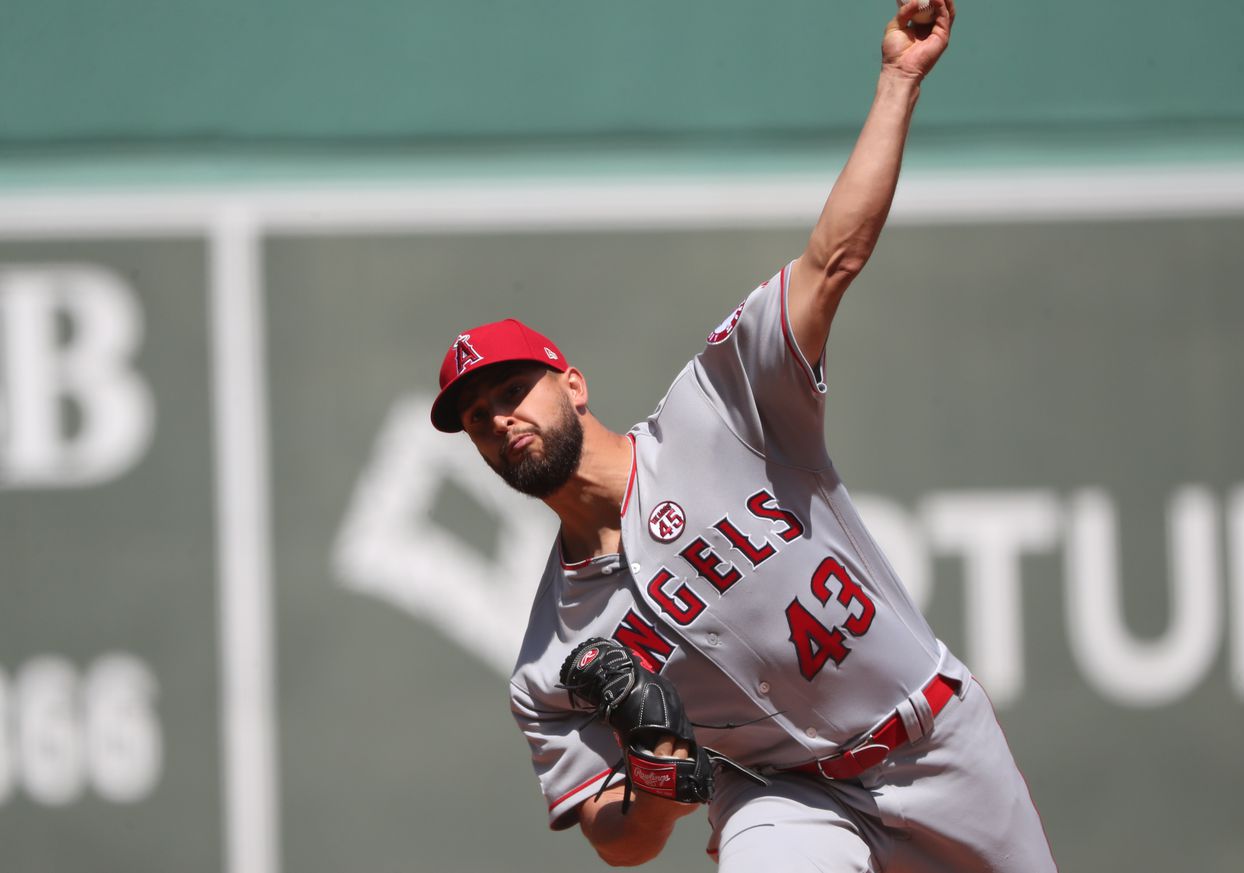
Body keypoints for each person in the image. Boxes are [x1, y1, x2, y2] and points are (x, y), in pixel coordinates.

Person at [430, 1, 1056, 869]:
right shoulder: (551, 661)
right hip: (780, 794)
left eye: (513, 388)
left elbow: (830, 260)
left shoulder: (717, 412)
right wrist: (656, 783)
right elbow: (619, 841)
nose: (501, 417)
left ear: (571, 382)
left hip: (937, 742)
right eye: (477, 416)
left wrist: (899, 79)